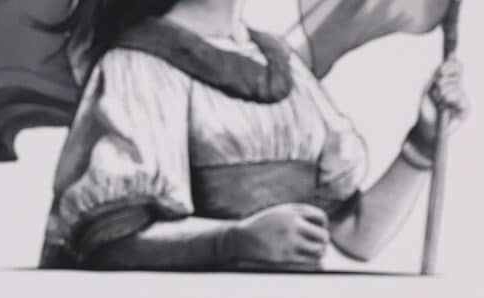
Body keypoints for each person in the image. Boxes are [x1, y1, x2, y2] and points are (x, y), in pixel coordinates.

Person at [38, 0, 469, 270]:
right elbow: (110, 245)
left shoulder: (286, 68)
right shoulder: (139, 66)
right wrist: (235, 240)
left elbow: (357, 237)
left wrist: (424, 143)